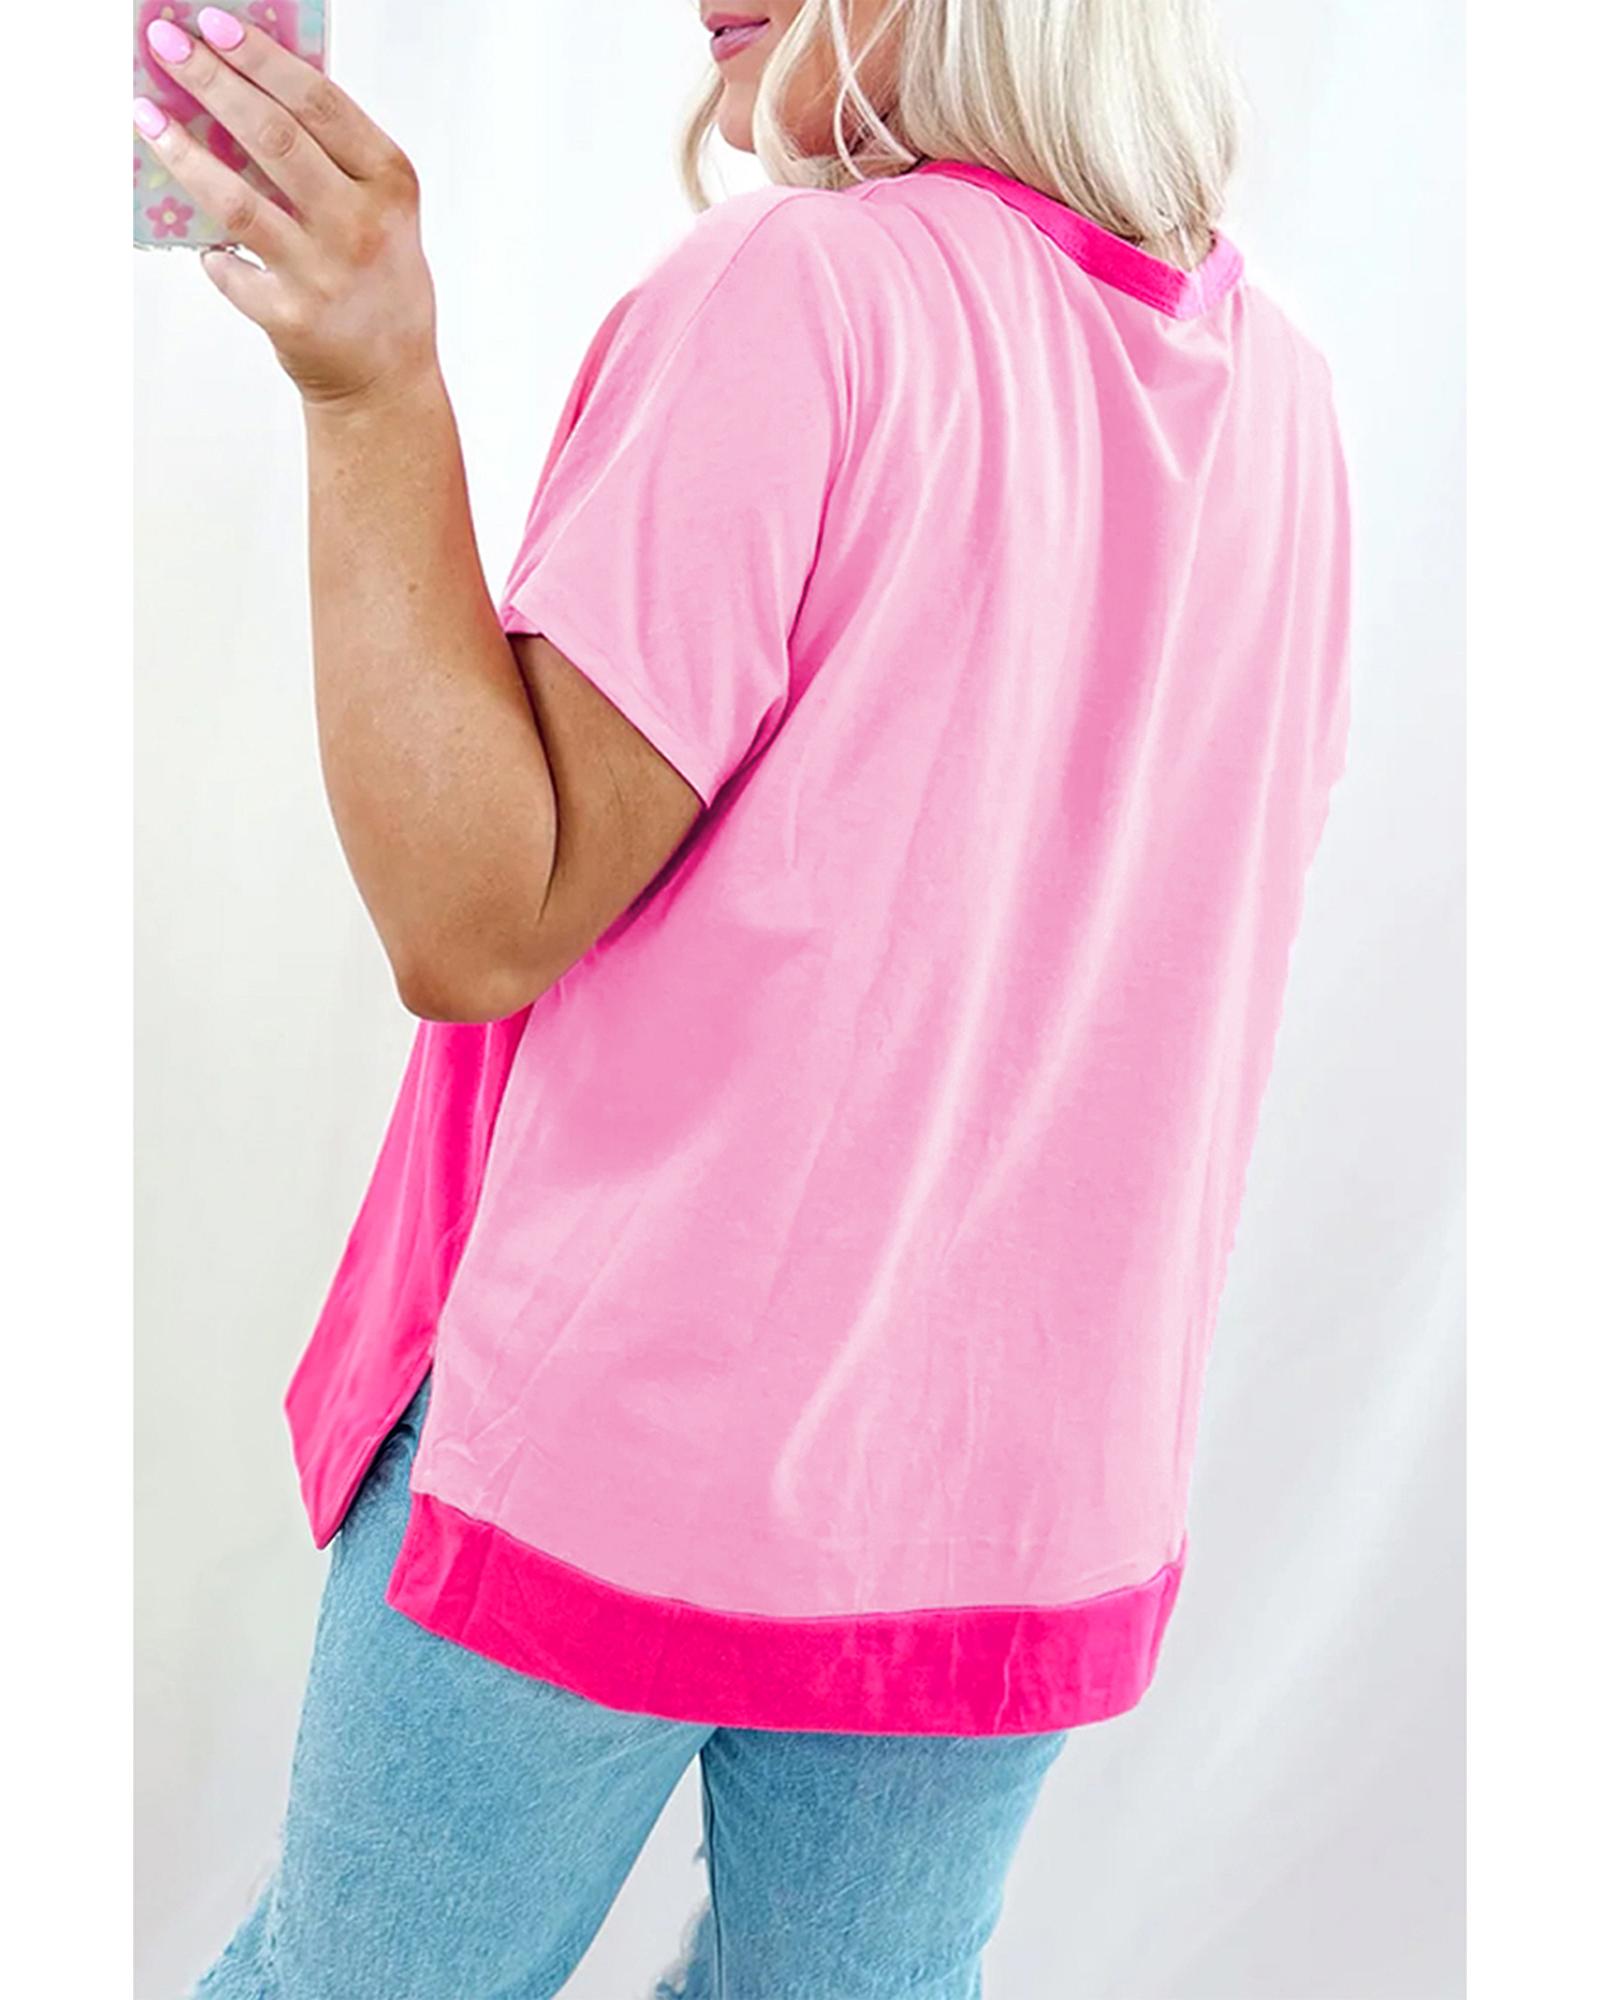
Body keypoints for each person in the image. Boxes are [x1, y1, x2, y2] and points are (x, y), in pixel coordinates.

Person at [138, 3, 1351, 1995]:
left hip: (624, 1451)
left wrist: (369, 381)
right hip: (1013, 1508)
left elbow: (475, 918)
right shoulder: (1278, 388)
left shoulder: (805, 294)